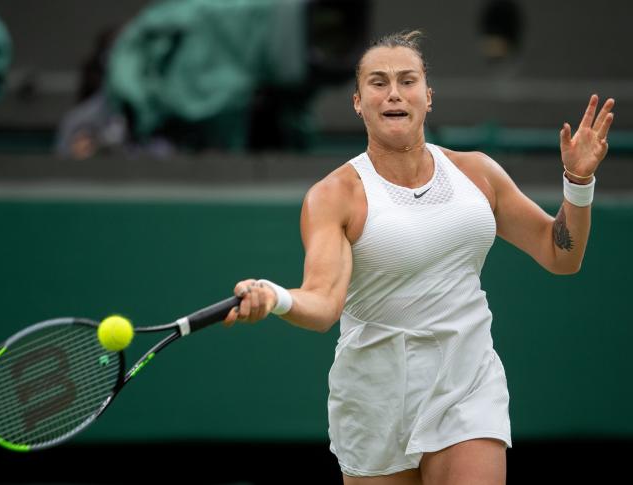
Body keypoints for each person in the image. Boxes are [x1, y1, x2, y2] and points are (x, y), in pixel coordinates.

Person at [223, 30, 615, 485]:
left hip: (467, 384)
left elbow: (559, 254)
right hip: (374, 401)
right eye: (378, 82)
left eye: (407, 81)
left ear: (428, 97)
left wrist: (578, 182)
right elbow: (324, 303)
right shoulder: (334, 196)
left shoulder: (478, 173)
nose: (394, 93)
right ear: (357, 101)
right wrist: (275, 297)